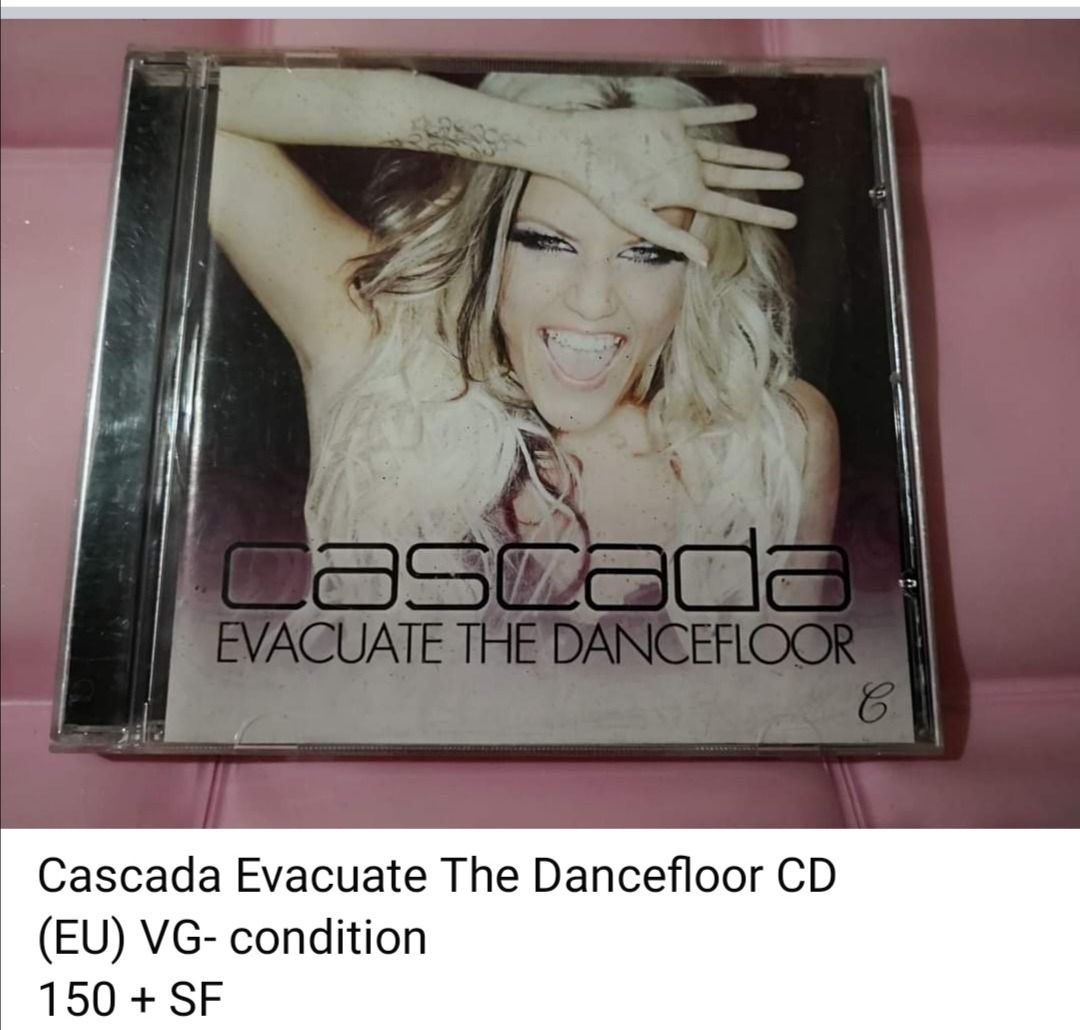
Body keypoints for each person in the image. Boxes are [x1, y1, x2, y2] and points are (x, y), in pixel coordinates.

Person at [209, 67, 839, 612]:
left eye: (647, 252)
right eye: (545, 242)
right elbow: (205, 104)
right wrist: (541, 141)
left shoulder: (777, 437)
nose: (593, 301)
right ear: (483, 239)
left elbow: (793, 692)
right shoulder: (372, 340)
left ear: (698, 270)